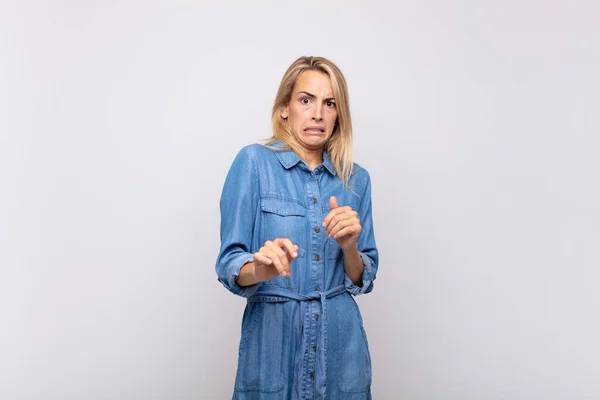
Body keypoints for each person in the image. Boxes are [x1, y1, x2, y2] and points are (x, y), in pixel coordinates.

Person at [215, 56, 379, 400]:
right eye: (306, 100)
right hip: (273, 344)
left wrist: (350, 246)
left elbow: (362, 278)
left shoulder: (356, 180)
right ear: (285, 107)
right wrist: (260, 268)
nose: (317, 113)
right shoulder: (253, 163)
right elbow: (229, 264)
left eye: (329, 103)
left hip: (341, 347)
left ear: (339, 115)